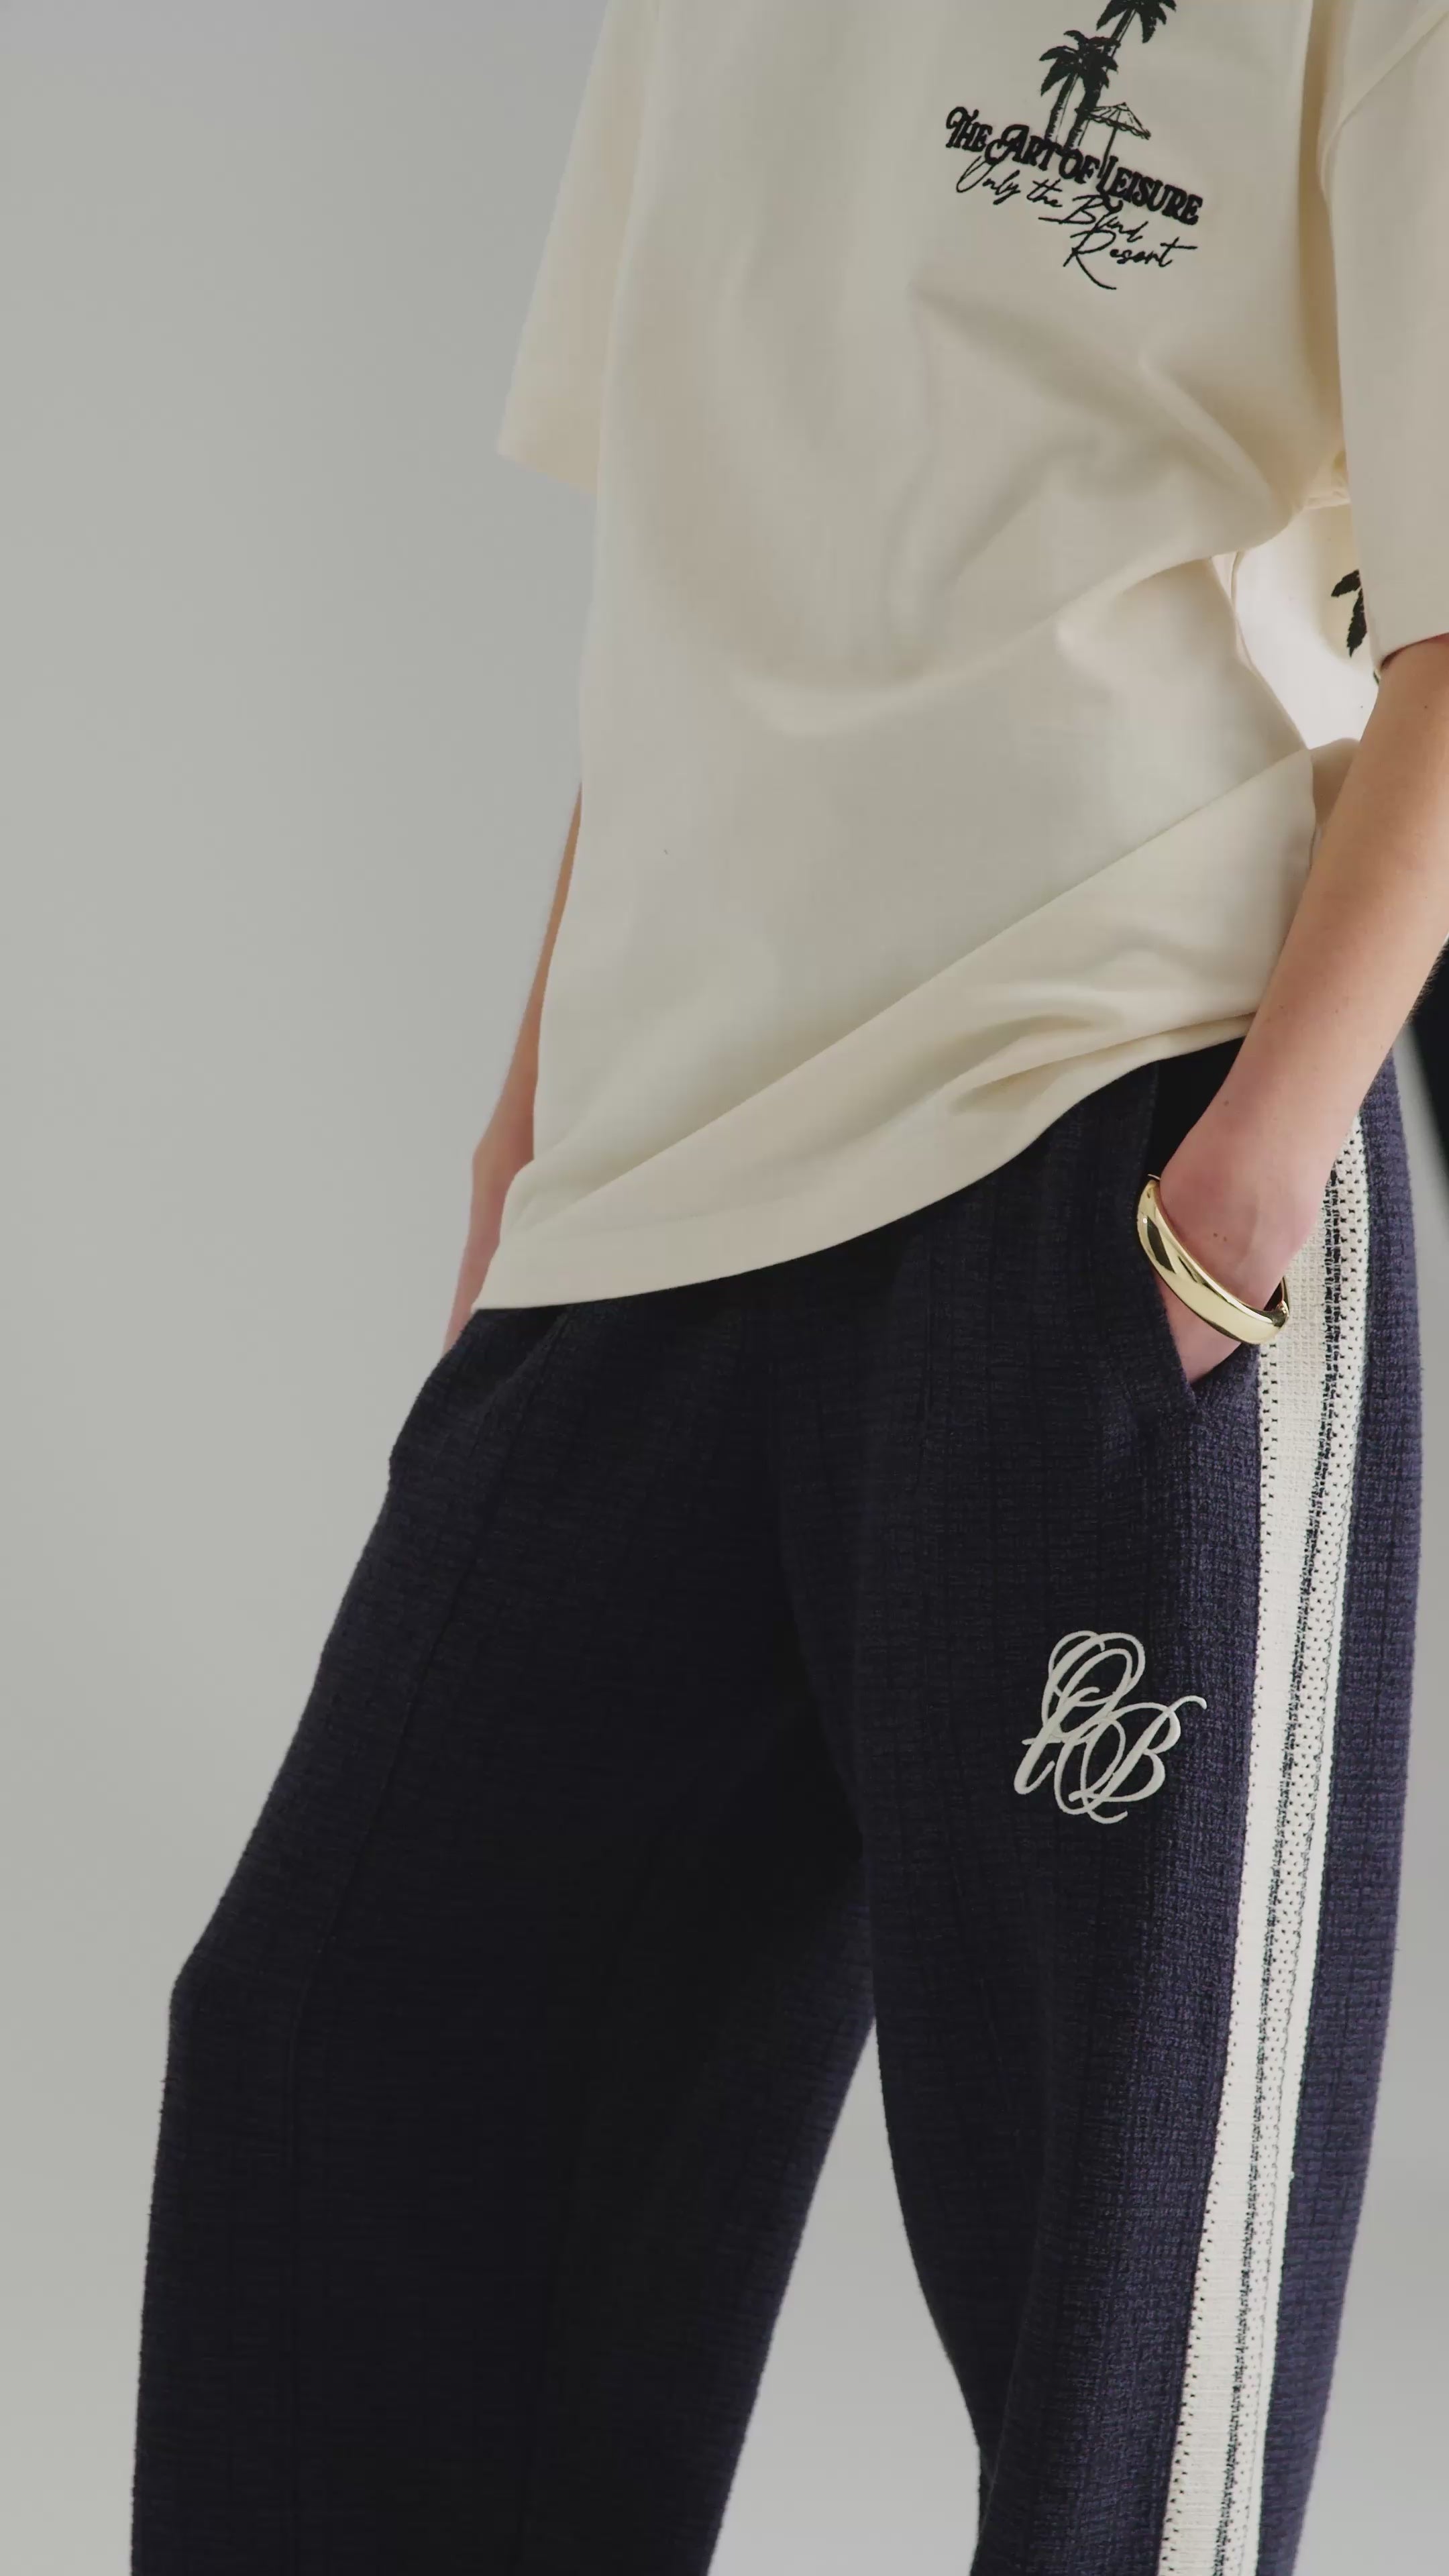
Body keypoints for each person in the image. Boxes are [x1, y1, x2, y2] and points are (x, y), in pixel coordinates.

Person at [131, 5, 1447, 2571]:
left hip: (1105, 1120)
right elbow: (705, 560)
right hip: (664, 1177)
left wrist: (1251, 1178)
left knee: (1117, 2338)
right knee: (345, 2084)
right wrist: (540, 1103)